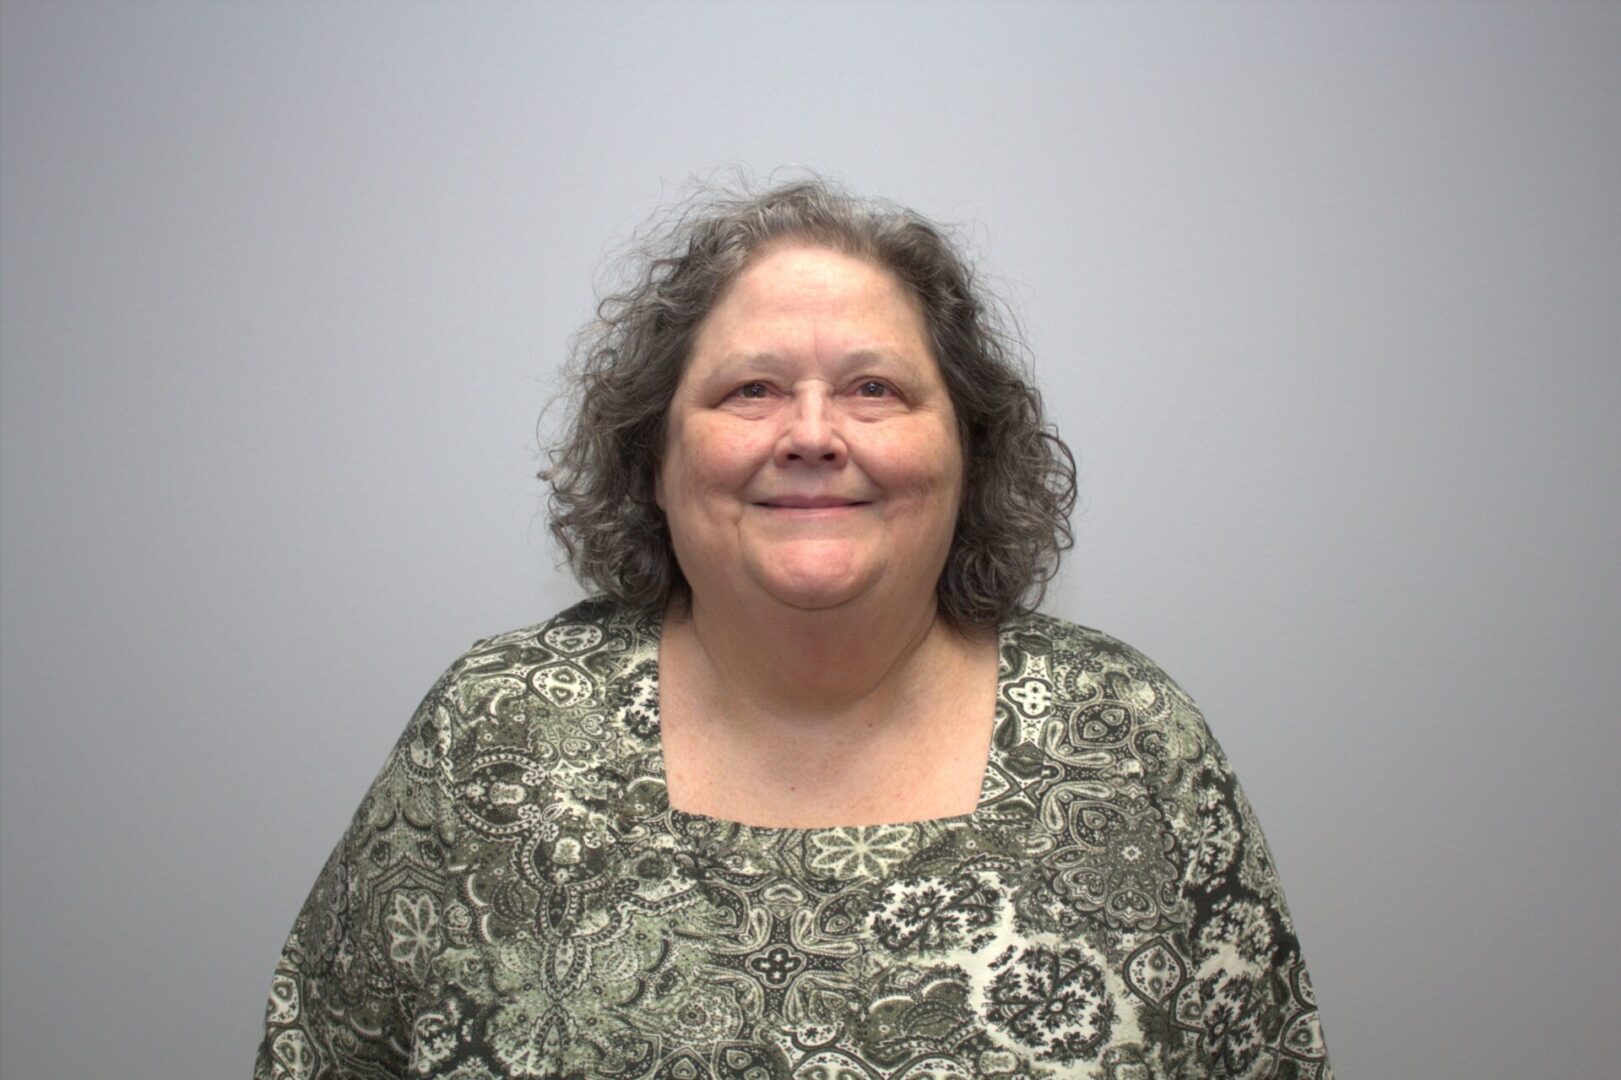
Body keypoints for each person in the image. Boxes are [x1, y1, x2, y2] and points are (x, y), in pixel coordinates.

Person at [255, 177, 1333, 1080]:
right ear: (656, 460)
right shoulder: (492, 739)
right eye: (751, 390)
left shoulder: (1130, 742)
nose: (812, 435)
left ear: (969, 452)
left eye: (873, 388)